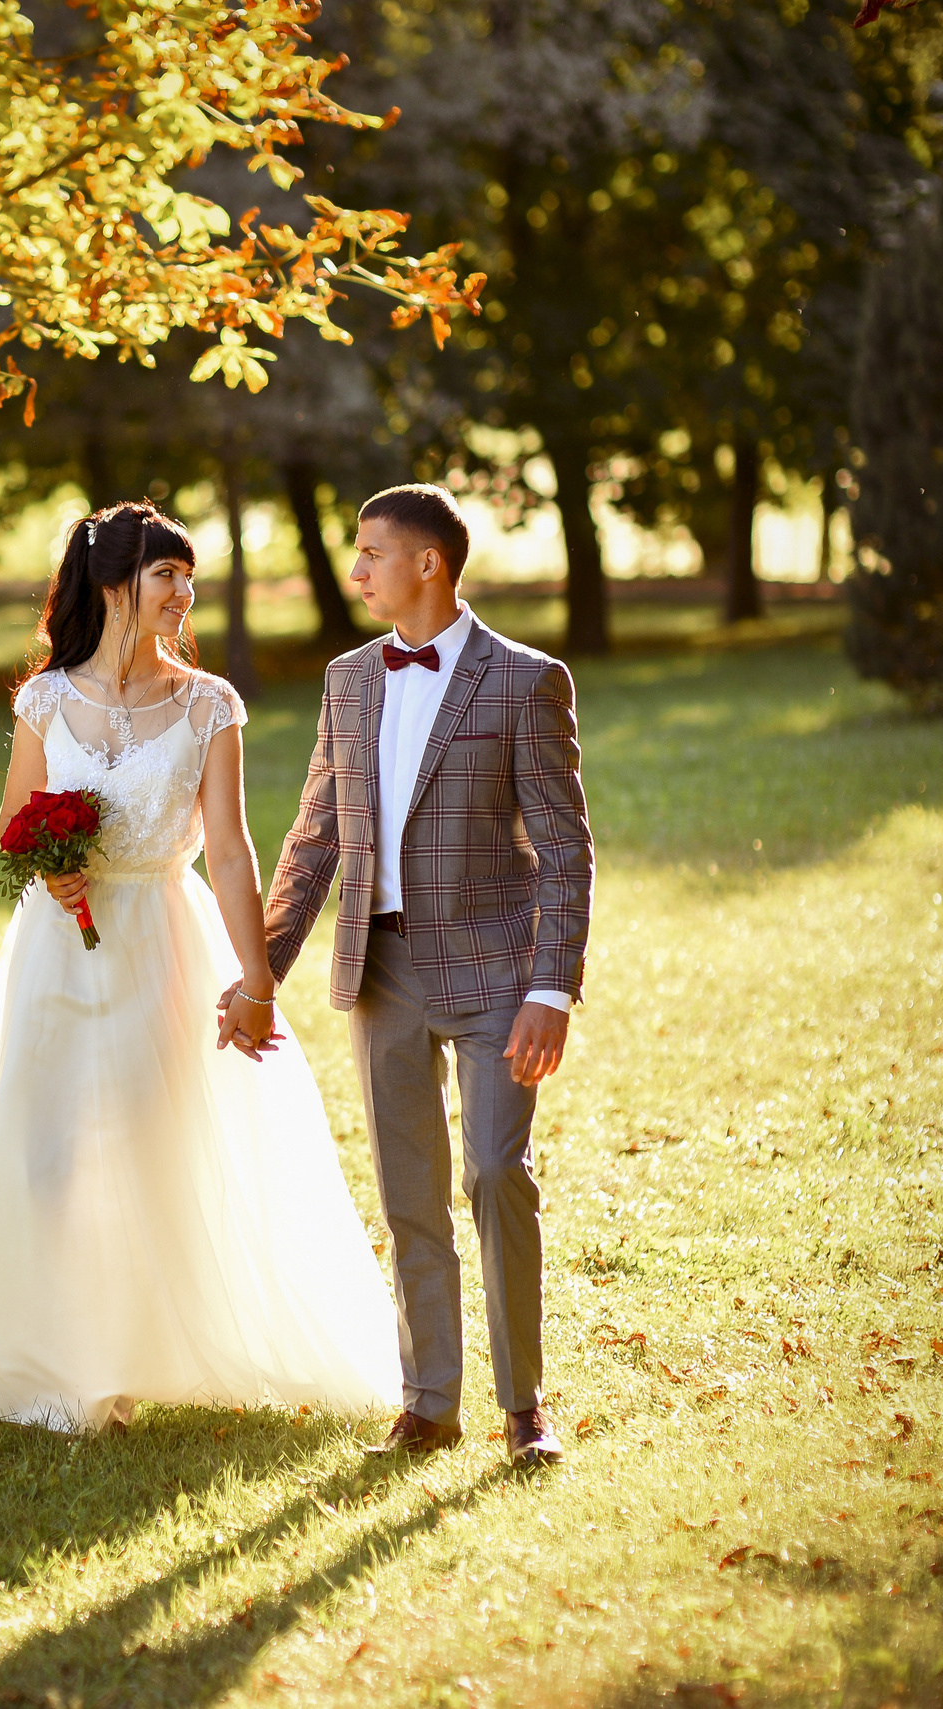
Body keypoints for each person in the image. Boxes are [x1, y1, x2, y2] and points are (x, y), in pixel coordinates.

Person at [0, 500, 400, 1434]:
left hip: (164, 936)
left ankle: (129, 1362)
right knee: (46, 1158)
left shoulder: (210, 706)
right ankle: (60, 1361)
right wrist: (53, 859)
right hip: (57, 943)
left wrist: (256, 980)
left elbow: (234, 851)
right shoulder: (42, 699)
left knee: (144, 1147)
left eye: (188, 576)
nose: (184, 593)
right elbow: (14, 819)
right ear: (117, 581)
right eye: (166, 574)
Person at [241, 482, 594, 1470]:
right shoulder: (348, 679)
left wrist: (549, 987)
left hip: (494, 971)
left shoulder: (525, 681)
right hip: (381, 971)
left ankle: (522, 1405)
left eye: (370, 552)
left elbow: (566, 852)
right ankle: (429, 1399)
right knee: (409, 1196)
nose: (355, 570)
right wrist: (261, 969)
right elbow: (314, 836)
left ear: (427, 563)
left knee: (492, 1173)